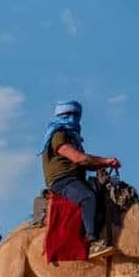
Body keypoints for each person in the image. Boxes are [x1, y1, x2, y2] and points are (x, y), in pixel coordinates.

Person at [38, 100, 121, 259]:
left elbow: (86, 162)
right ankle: (93, 243)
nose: (72, 118)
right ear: (60, 115)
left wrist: (103, 164)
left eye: (75, 115)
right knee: (88, 197)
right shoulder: (59, 134)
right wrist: (105, 160)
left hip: (75, 179)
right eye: (68, 114)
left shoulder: (73, 137)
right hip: (62, 181)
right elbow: (78, 158)